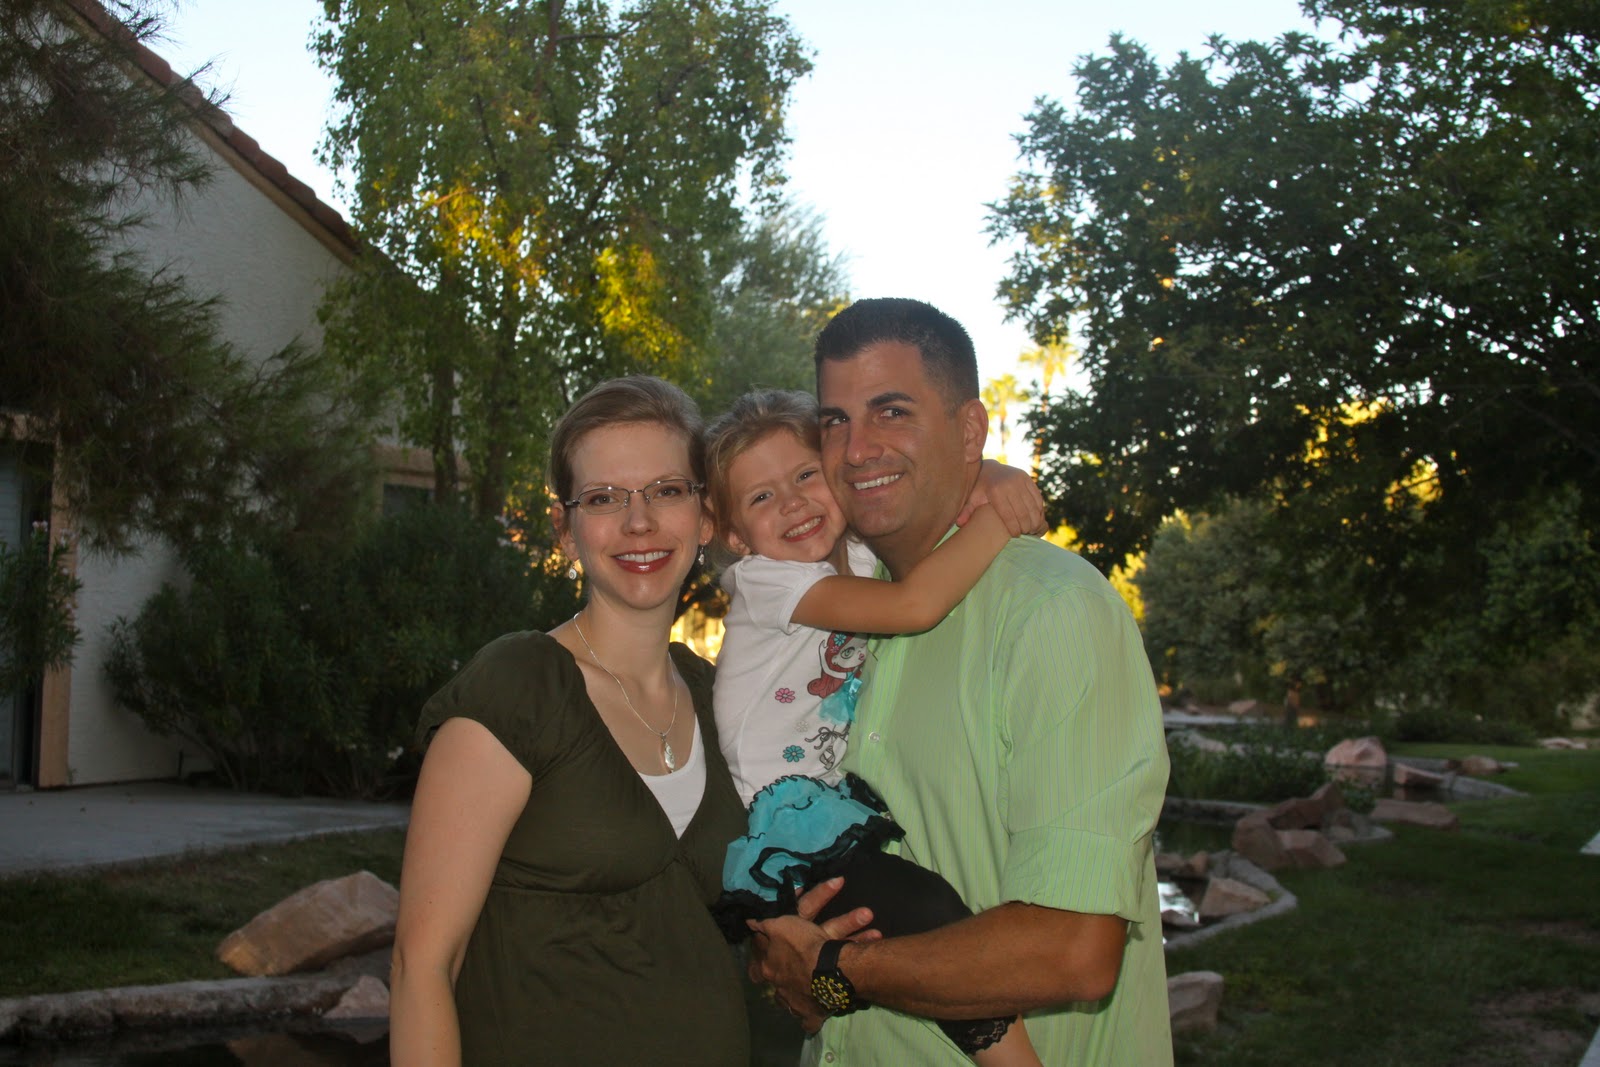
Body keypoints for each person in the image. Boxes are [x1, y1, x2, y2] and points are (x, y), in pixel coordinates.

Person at [389, 376, 869, 1066]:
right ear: (565, 531)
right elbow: (422, 966)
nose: (639, 522)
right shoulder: (520, 687)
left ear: (706, 519)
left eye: (666, 490)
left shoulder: (720, 698)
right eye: (604, 498)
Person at [748, 299, 1174, 1064]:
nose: (857, 449)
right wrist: (804, 977)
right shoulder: (839, 610)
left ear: (970, 429)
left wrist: (835, 970)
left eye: (892, 411)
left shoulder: (1051, 614)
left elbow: (1073, 947)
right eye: (836, 421)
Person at [702, 388, 1046, 1065]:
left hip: (830, 808)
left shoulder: (854, 552)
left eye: (805, 475)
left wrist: (991, 472)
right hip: (789, 831)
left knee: (898, 930)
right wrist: (998, 519)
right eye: (762, 497)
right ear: (736, 535)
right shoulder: (767, 582)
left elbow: (924, 502)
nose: (793, 503)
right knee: (925, 910)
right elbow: (916, 604)